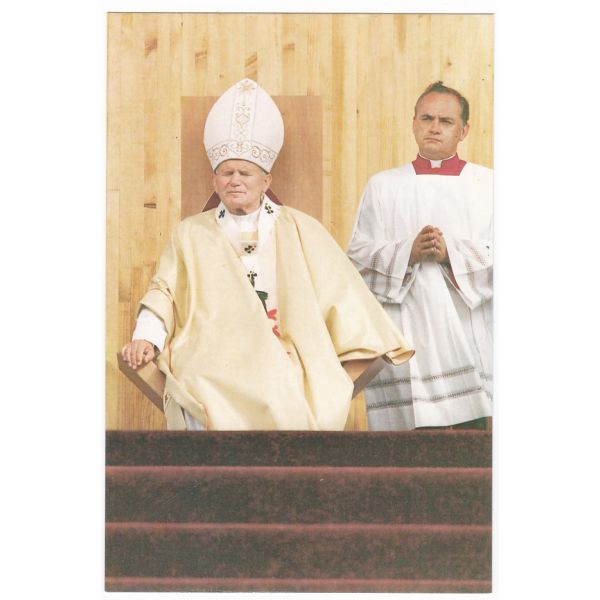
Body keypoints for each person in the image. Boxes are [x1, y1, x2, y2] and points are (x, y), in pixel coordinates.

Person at [121, 78, 414, 431]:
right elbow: (164, 291)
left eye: (245, 173)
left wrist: (373, 340)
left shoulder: (301, 229)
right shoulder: (190, 233)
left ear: (266, 181)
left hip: (283, 352)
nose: (235, 180)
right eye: (226, 173)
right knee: (198, 381)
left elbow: (342, 293)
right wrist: (147, 337)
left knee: (287, 385)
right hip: (212, 355)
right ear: (214, 181)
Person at [346, 81, 492, 431]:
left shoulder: (490, 185)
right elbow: (356, 260)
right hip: (405, 333)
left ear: (463, 130)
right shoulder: (383, 186)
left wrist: (451, 254)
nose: (434, 127)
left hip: (468, 333)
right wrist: (406, 255)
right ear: (414, 123)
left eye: (446, 121)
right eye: (426, 118)